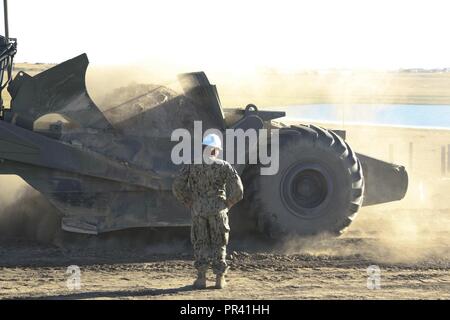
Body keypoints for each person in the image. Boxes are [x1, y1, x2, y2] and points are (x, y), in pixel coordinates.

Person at [172, 133, 244, 289]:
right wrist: (229, 203)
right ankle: (219, 279)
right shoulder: (224, 166)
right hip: (218, 209)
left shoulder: (192, 165)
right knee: (220, 244)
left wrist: (188, 201)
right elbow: (239, 189)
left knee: (201, 243)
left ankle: (201, 279)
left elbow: (177, 185)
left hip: (198, 210)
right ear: (215, 150)